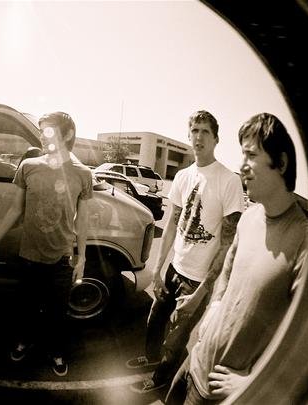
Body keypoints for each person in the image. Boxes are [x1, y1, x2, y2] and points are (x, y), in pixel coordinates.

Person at [164, 113, 308, 404]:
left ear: (281, 163)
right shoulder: (249, 217)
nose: (242, 166)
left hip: (217, 393)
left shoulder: (305, 243)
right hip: (194, 361)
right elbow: (227, 272)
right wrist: (214, 307)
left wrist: (256, 379)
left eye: (251, 155)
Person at [129, 110, 244, 394]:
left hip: (197, 280)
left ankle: (161, 378)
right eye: (194, 130)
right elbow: (172, 224)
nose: (199, 137)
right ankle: (151, 358)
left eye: (205, 131)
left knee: (176, 337)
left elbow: (228, 244)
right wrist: (158, 269)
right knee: (155, 319)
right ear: (188, 135)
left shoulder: (228, 180)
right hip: (173, 269)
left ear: (216, 139)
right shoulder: (183, 176)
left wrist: (202, 292)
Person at [0, 111, 92, 377]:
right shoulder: (28, 167)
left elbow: (83, 220)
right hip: (29, 255)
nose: (42, 136)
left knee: (57, 312)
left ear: (67, 134)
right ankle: (23, 342)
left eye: (48, 130)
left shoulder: (83, 174)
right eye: (41, 131)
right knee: (26, 308)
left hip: (61, 258)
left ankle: (56, 351)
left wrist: (82, 258)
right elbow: (15, 209)